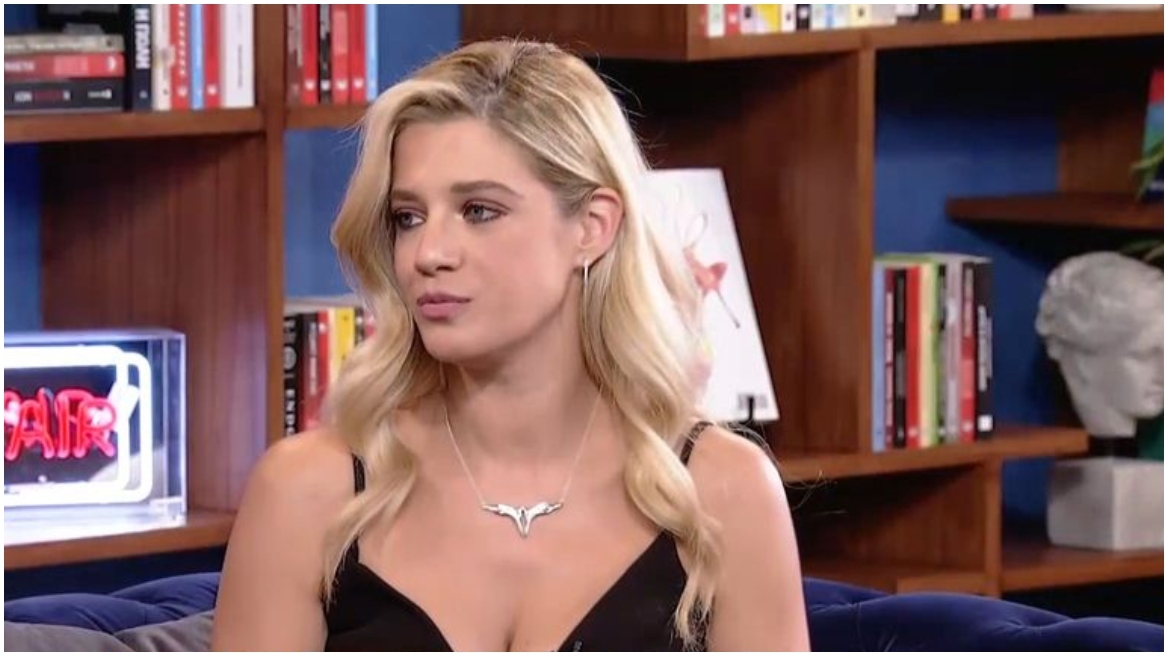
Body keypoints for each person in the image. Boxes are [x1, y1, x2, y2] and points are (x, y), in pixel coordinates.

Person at [211, 39, 809, 652]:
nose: (428, 253)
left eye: (478, 210)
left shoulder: (725, 494)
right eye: (408, 217)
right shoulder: (306, 495)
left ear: (592, 227)